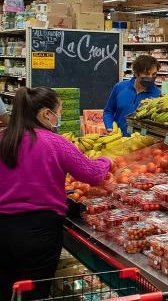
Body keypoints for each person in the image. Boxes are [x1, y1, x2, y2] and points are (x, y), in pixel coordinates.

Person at [0, 87, 111, 300]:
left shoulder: (4, 137)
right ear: (45, 114)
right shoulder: (54, 142)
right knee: (35, 292)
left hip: (2, 227)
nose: (59, 116)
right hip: (38, 233)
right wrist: (106, 160)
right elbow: (93, 174)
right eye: (58, 111)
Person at [103, 55, 161, 136]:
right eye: (146, 74)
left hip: (142, 143)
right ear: (136, 73)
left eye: (154, 74)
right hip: (117, 139)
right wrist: (109, 127)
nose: (150, 77)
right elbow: (108, 111)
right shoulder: (120, 87)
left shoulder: (157, 95)